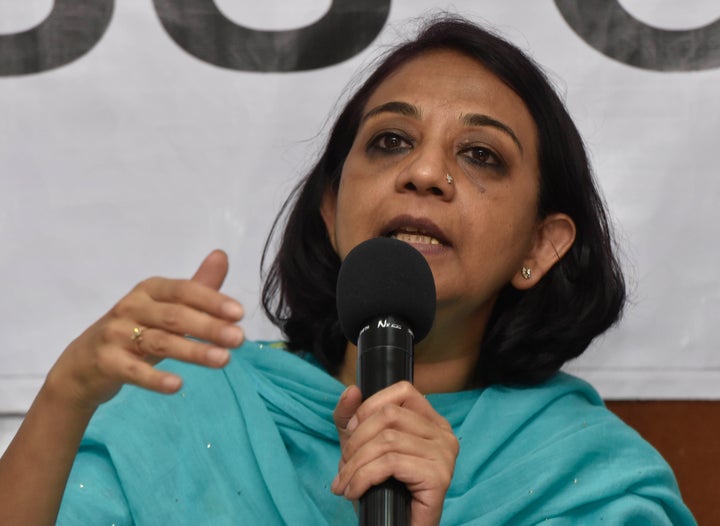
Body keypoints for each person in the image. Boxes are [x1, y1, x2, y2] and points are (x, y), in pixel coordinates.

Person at [0, 15, 696, 525]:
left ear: (539, 248)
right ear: (332, 210)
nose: (424, 173)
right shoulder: (186, 401)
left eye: (481, 154)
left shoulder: (584, 480)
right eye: (390, 141)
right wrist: (68, 393)